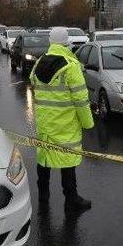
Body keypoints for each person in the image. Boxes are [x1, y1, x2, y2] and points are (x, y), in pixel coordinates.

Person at [30, 27, 94, 212]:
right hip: (66, 124)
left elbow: (32, 81)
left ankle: (43, 197)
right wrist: (88, 123)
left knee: (44, 160)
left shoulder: (39, 62)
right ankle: (71, 199)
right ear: (67, 43)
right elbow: (81, 100)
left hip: (44, 124)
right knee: (68, 162)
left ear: (50, 42)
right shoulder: (71, 66)